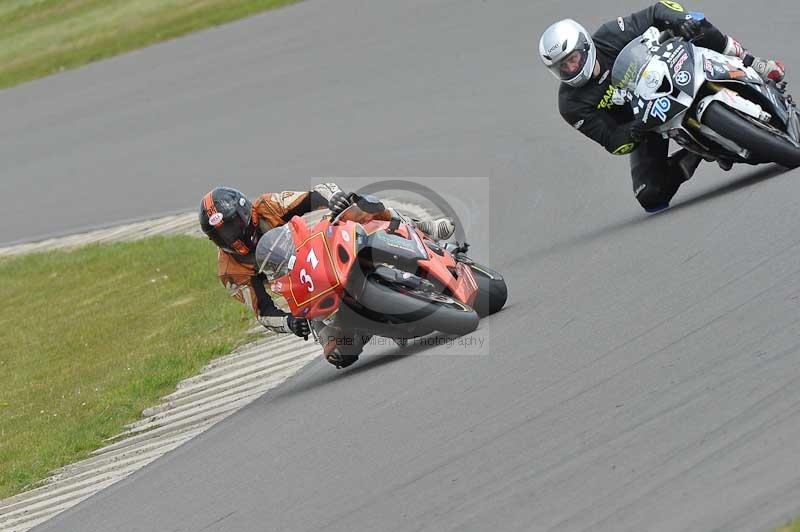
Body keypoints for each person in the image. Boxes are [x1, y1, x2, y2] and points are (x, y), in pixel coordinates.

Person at [539, 2, 786, 212]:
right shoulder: (571, 105)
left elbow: (658, 10)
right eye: (562, 67)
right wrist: (632, 132)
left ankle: (753, 63)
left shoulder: (609, 35)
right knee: (650, 195)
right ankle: (700, 151)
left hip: (669, 68)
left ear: (585, 46)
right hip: (648, 122)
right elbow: (610, 139)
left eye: (572, 59)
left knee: (697, 24)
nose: (570, 69)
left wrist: (680, 20)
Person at [199, 184, 455, 367]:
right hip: (302, 292)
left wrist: (334, 199)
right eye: (223, 234)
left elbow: (315, 193)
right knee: (339, 353)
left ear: (245, 214)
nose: (232, 236)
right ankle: (365, 325)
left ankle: (420, 227)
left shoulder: (267, 206)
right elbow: (262, 311)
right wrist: (289, 323)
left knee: (359, 207)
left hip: (319, 247)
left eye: (232, 226)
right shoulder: (230, 269)